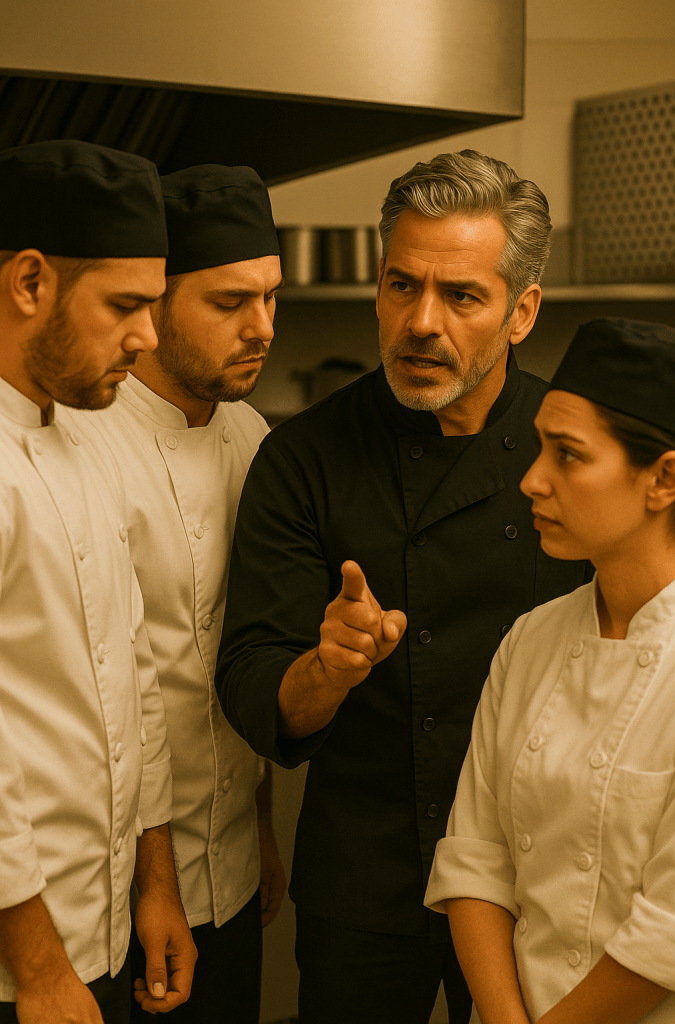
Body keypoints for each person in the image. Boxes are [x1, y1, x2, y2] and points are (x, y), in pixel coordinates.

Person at [216, 149, 590, 1023]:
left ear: (521, 311)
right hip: (365, 878)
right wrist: (327, 668)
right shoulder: (301, 456)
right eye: (399, 285)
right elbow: (250, 687)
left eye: (461, 296)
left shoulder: (569, 450)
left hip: (538, 875)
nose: (421, 322)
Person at [61, 164, 286, 1024]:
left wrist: (258, 823)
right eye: (228, 303)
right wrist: (159, 879)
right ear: (152, 305)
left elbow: (245, 647)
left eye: (270, 298)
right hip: (120, 885)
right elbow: (127, 686)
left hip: (230, 862)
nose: (260, 328)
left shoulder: (254, 437)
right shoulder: (82, 440)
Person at [425, 317, 675, 1024]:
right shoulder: (531, 639)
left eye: (566, 455)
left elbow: (671, 933)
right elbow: (474, 858)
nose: (531, 480)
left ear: (663, 479)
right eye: (539, 445)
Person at [0, 140, 196, 1024]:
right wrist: (38, 968)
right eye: (126, 305)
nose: (149, 337)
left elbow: (134, 679)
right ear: (30, 282)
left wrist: (156, 881)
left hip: (105, 932)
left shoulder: (85, 443)